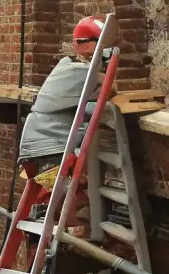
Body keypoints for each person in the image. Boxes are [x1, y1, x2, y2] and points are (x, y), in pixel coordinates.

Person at [17, 16, 106, 188]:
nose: (106, 49)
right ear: (86, 44)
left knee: (78, 200)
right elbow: (111, 87)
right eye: (101, 43)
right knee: (77, 199)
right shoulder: (78, 71)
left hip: (35, 150)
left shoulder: (68, 67)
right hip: (48, 153)